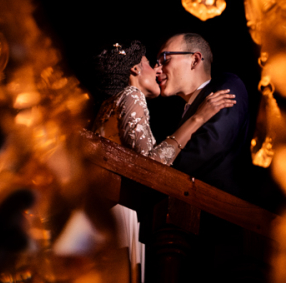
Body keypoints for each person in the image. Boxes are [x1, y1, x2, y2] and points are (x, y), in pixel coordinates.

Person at [94, 40, 236, 163]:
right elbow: (148, 166)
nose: (157, 70)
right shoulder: (132, 94)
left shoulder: (110, 104)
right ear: (136, 69)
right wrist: (198, 118)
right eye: (150, 64)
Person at [156, 32, 249, 194]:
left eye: (165, 59)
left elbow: (212, 144)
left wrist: (158, 173)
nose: (157, 70)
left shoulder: (228, 84)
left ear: (195, 60)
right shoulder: (182, 114)